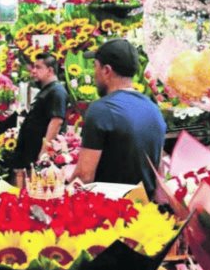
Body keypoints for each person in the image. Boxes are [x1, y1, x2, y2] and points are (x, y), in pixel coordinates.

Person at [71, 39, 166, 197]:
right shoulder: (153, 108)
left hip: (111, 211)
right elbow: (158, 168)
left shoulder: (101, 109)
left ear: (106, 71)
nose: (94, 74)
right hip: (146, 211)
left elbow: (84, 177)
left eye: (95, 66)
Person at [12, 53, 68, 182]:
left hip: (39, 152)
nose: (33, 71)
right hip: (31, 150)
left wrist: (44, 152)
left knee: (37, 187)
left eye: (38, 67)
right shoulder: (47, 90)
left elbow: (56, 121)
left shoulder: (57, 91)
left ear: (50, 70)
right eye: (33, 67)